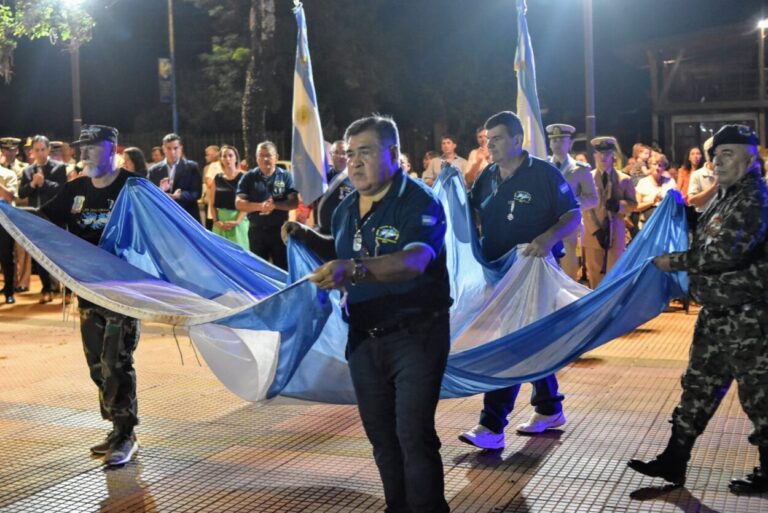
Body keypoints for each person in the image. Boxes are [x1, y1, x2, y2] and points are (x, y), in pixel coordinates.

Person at [283, 115, 451, 512]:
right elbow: (340, 251)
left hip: (416, 335)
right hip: (363, 340)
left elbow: (415, 261)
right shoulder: (343, 209)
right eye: (349, 154)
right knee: (382, 440)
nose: (353, 163)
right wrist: (306, 238)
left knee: (414, 437)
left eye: (366, 153)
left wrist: (356, 270)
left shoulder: (419, 202)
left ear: (393, 154)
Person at [628, 124, 768, 494]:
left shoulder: (753, 198)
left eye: (728, 154)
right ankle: (674, 459)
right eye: (715, 154)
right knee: (697, 387)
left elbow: (724, 252)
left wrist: (671, 261)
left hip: (750, 319)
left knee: (760, 396)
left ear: (751, 159)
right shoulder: (725, 195)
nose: (717, 162)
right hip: (717, 315)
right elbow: (706, 233)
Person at [459, 111, 581, 450]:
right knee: (530, 342)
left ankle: (491, 425)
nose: (490, 145)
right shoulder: (487, 176)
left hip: (532, 275)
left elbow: (573, 214)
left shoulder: (543, 174)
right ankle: (549, 408)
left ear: (517, 139)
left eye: (496, 138)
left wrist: (547, 237)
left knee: (511, 345)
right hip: (498, 273)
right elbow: (470, 214)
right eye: (487, 139)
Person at [42, 125, 141, 467]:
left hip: (121, 292)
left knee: (116, 362)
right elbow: (42, 223)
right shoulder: (75, 190)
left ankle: (127, 433)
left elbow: (158, 230)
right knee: (98, 367)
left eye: (91, 147)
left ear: (112, 147)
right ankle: (116, 427)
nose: (82, 153)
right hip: (87, 292)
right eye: (81, 148)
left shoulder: (132, 187)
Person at [17, 135, 68, 304]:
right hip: (34, 219)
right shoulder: (27, 171)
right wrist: (32, 184)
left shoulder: (59, 168)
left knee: (60, 256)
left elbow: (61, 190)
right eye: (36, 150)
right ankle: (47, 289)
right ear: (32, 151)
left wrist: (43, 182)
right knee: (39, 256)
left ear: (48, 150)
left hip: (55, 218)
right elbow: (22, 193)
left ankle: (66, 290)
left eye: (42, 149)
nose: (39, 153)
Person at [582, 137, 637, 289]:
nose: (603, 157)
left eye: (607, 153)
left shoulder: (624, 179)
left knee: (614, 277)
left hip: (616, 235)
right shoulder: (588, 178)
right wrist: (596, 230)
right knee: (595, 278)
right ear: (594, 156)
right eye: (600, 153)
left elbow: (633, 204)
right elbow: (584, 208)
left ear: (613, 155)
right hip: (593, 235)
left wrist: (619, 206)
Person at [546, 123, 598, 281]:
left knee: (569, 272)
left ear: (570, 143)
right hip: (547, 227)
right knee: (549, 273)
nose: (557, 144)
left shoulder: (580, 168)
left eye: (562, 140)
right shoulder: (544, 165)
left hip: (569, 226)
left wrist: (570, 201)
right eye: (554, 141)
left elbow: (592, 198)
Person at [235, 141, 298, 270]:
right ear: (256, 158)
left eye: (268, 155)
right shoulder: (248, 177)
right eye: (261, 155)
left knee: (283, 269)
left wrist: (275, 205)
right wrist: (260, 206)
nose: (265, 159)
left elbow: (294, 202)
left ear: (276, 157)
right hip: (257, 232)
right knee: (258, 270)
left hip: (279, 231)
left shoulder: (285, 176)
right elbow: (239, 204)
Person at [147, 133, 202, 222]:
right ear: (163, 149)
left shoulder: (192, 167)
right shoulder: (154, 170)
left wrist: (180, 195)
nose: (172, 152)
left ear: (181, 148)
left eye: (175, 148)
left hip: (187, 217)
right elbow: (149, 194)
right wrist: (160, 192)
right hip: (164, 218)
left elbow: (197, 193)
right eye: (169, 148)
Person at [208, 145, 249, 250]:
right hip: (220, 224)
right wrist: (216, 221)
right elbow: (212, 204)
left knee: (240, 255)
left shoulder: (244, 178)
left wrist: (237, 221)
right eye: (224, 156)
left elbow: (247, 203)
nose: (228, 159)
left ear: (236, 158)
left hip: (238, 222)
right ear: (221, 159)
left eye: (230, 155)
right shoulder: (217, 179)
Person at [311, 140, 354, 235]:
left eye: (344, 153)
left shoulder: (356, 178)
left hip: (345, 232)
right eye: (336, 152)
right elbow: (315, 203)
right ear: (331, 155)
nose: (340, 156)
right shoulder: (323, 177)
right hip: (323, 231)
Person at [635, 152, 676, 227]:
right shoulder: (643, 182)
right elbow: (636, 207)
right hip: (649, 224)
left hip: (667, 223)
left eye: (660, 165)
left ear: (664, 168)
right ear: (649, 166)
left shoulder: (670, 181)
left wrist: (681, 199)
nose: (657, 167)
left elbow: (678, 201)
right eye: (654, 164)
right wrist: (652, 202)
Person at [0, 161, 17, 304]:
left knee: (6, 258)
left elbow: (10, 197)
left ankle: (9, 292)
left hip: (4, 221)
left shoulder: (8, 174)